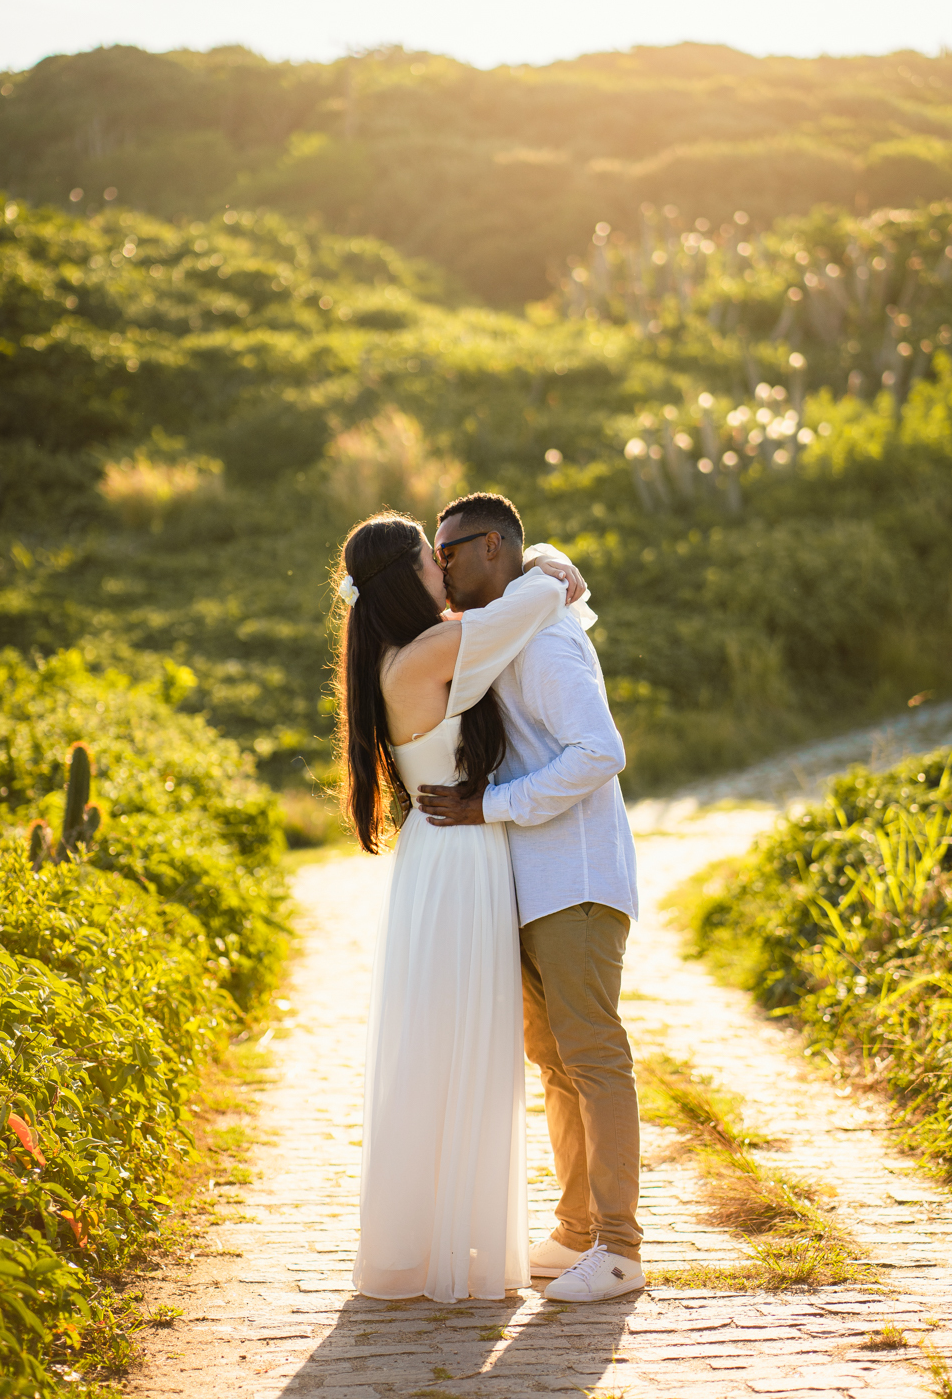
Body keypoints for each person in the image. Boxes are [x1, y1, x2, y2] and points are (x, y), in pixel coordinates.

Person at [333, 510, 586, 1303]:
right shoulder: (428, 651)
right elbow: (531, 603)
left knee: (453, 1048)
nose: (445, 571)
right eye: (430, 560)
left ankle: (440, 1241)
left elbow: (520, 605)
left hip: (449, 858)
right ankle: (447, 1250)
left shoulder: (402, 650)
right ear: (408, 577)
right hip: (457, 858)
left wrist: (544, 564)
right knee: (462, 1050)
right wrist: (549, 560)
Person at [416, 492, 642, 1304]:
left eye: (448, 553)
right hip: (535, 883)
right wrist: (548, 559)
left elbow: (600, 751)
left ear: (489, 551)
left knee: (592, 1056)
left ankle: (619, 1248)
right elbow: (542, 566)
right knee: (554, 1063)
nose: (439, 568)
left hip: (576, 878)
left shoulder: (541, 642)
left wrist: (490, 807)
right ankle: (578, 1230)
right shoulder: (514, 622)